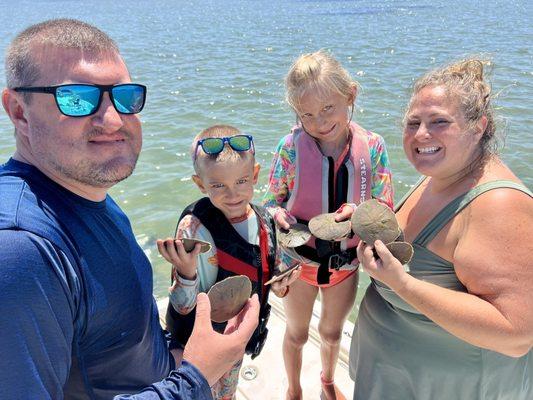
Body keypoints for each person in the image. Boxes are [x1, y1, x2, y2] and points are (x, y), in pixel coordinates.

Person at [0, 19, 261, 400]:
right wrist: (195, 376)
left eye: (124, 96)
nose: (112, 120)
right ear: (19, 111)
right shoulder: (21, 251)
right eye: (76, 98)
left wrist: (175, 355)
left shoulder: (85, 191)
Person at [349, 59, 533, 400]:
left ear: (478, 127)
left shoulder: (500, 204)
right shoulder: (441, 173)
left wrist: (402, 283)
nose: (421, 135)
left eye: (439, 122)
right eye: (413, 122)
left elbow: (516, 335)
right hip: (395, 375)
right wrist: (365, 220)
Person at [263, 50, 394, 400]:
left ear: (350, 95)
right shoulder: (290, 148)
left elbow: (386, 207)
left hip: (345, 265)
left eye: (327, 109)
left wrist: (362, 210)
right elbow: (271, 201)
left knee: (333, 333)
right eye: (306, 114)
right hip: (298, 263)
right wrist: (277, 214)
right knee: (297, 334)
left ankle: (326, 379)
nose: (319, 122)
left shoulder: (374, 147)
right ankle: (293, 388)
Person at [158, 125, 300, 400]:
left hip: (239, 337)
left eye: (241, 181)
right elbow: (183, 306)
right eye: (218, 185)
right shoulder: (194, 229)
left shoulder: (265, 221)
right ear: (200, 185)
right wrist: (186, 272)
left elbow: (268, 276)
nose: (232, 194)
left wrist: (282, 283)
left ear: (255, 175)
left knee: (227, 393)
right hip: (201, 346)